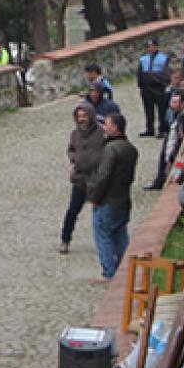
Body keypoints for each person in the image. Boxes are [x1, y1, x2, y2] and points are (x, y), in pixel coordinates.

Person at [87, 112, 138, 282]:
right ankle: (125, 270)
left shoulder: (110, 150)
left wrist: (95, 197)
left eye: (107, 124)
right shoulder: (130, 149)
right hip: (123, 199)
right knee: (120, 235)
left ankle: (109, 272)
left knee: (103, 235)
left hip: (108, 200)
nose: (104, 127)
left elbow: (103, 176)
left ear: (115, 127)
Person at [60, 102, 105, 254]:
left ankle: (106, 243)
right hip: (80, 178)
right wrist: (75, 158)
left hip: (97, 178)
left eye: (84, 116)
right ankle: (65, 240)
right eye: (79, 117)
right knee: (72, 210)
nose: (82, 119)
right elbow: (71, 149)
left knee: (102, 212)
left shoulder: (101, 133)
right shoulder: (75, 134)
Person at [144, 92, 184, 190]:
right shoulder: (177, 115)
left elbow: (181, 137)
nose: (171, 105)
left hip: (177, 150)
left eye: (175, 102)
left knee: (177, 169)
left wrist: (173, 153)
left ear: (183, 103)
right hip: (171, 145)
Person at [136, 39, 171, 137]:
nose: (150, 48)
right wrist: (140, 85)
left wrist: (159, 81)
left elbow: (166, 74)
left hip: (158, 87)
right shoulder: (143, 59)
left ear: (157, 46)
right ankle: (150, 128)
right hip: (146, 88)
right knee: (148, 109)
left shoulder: (163, 58)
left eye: (152, 46)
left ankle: (162, 129)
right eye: (148, 46)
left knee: (161, 109)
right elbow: (139, 73)